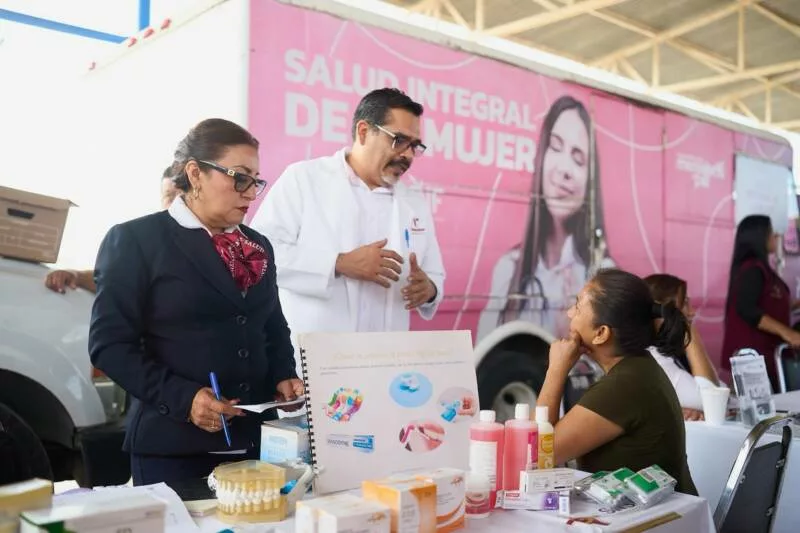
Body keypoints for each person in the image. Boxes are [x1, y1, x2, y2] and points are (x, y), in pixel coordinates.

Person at [89, 118, 303, 487]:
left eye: (255, 181)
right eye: (239, 177)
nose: (250, 193)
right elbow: (110, 346)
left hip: (255, 445)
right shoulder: (137, 240)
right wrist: (184, 399)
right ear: (195, 173)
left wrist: (284, 373)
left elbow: (271, 324)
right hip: (174, 449)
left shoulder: (256, 245)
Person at [250, 88, 445, 338]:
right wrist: (339, 263)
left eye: (414, 145)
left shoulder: (414, 202)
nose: (407, 154)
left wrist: (429, 290)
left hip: (388, 353)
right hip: (317, 351)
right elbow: (258, 256)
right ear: (363, 132)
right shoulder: (304, 179)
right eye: (398, 140)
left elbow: (434, 273)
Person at [536, 269, 697, 495]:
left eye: (578, 306)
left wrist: (556, 369)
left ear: (601, 333)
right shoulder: (637, 367)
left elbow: (539, 453)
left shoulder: (626, 384)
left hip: (657, 516)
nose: (570, 313)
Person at [478, 95, 613, 341]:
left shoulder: (603, 274)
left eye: (578, 158)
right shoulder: (509, 269)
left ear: (590, 179)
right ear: (541, 156)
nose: (564, 169)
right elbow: (484, 350)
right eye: (556, 147)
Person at [44, 167, 179, 294]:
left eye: (183, 196)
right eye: (170, 196)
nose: (177, 204)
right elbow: (118, 279)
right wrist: (75, 276)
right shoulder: (147, 240)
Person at [722, 214, 800, 392]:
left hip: (769, 357)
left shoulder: (763, 270)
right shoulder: (752, 270)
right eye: (771, 232)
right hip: (753, 360)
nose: (776, 236)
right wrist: (788, 333)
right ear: (759, 237)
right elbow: (747, 309)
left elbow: (771, 305)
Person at [644, 273, 721, 421]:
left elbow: (721, 392)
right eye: (685, 303)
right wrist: (687, 328)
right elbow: (713, 401)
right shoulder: (653, 357)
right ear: (659, 310)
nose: (692, 312)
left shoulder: (671, 351)